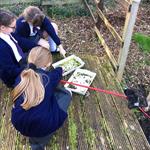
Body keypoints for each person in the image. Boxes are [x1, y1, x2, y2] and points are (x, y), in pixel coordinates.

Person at [11, 46, 72, 150]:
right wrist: (60, 68)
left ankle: (35, 141)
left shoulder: (21, 76)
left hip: (19, 122)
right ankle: (38, 145)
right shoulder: (48, 78)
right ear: (48, 64)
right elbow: (57, 74)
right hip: (42, 126)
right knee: (67, 94)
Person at [0, 9, 26, 87]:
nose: (15, 29)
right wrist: (26, 69)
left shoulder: (7, 33)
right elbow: (10, 70)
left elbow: (20, 41)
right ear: (2, 27)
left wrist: (36, 45)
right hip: (14, 77)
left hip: (20, 63)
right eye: (13, 27)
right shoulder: (2, 48)